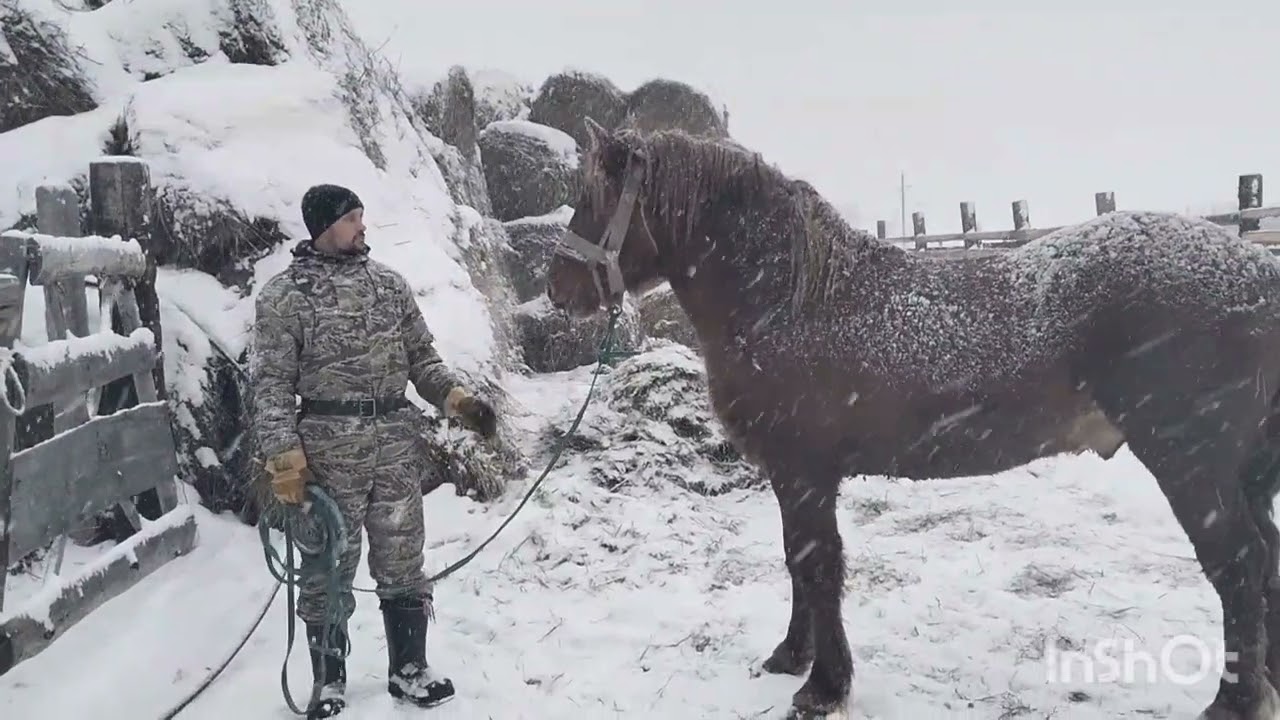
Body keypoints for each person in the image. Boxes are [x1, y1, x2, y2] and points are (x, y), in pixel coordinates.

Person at [250, 183, 497, 718]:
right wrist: (284, 459)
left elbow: (422, 360)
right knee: (328, 565)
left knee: (404, 558)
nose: (363, 226)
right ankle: (328, 682)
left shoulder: (389, 285)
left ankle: (409, 671)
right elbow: (269, 385)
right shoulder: (285, 297)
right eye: (352, 218)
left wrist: (458, 399)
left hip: (394, 445)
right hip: (327, 450)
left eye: (361, 216)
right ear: (323, 227)